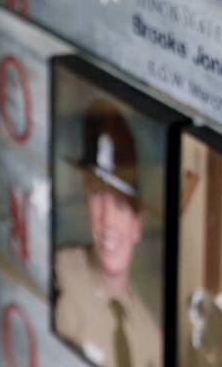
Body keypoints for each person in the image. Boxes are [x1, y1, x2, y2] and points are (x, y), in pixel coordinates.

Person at [54, 100, 163, 367]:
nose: (107, 220)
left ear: (137, 226)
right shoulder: (58, 274)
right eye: (97, 197)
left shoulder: (152, 338)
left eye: (119, 205)